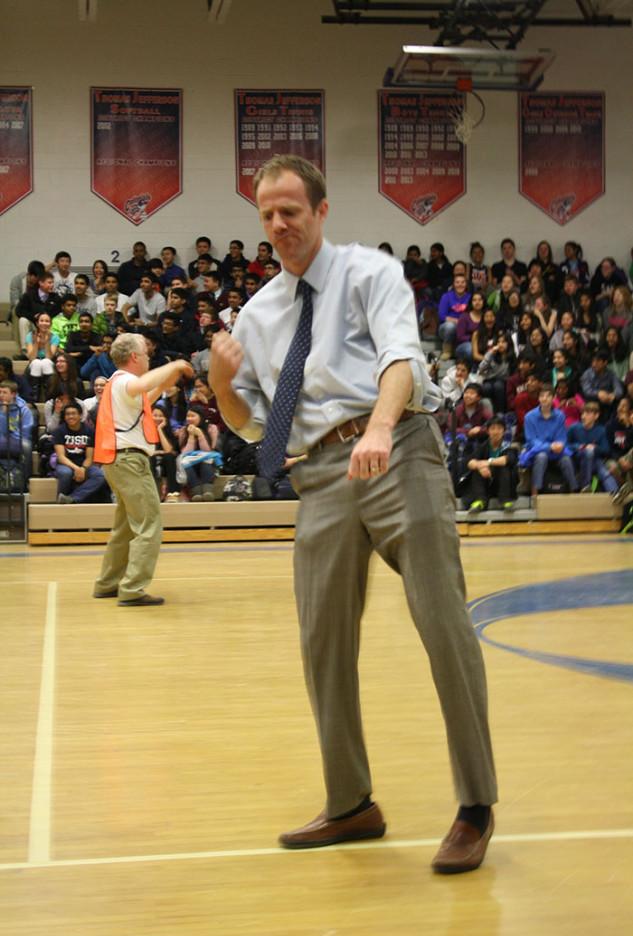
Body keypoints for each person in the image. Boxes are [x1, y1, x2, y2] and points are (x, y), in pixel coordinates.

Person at [209, 154, 497, 874]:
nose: (278, 224)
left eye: (291, 211)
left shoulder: (370, 274)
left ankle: (474, 805)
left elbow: (402, 358)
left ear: (321, 211)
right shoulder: (258, 314)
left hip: (397, 446)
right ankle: (351, 804)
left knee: (442, 622)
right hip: (322, 474)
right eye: (266, 214)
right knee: (321, 643)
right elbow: (257, 433)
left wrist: (377, 425)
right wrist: (221, 384)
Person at [93, 334, 193, 606]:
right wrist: (174, 366)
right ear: (134, 357)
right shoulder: (125, 380)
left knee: (125, 528)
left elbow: (145, 398)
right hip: (129, 462)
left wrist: (165, 382)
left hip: (118, 461)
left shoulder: (119, 384)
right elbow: (140, 386)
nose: (150, 357)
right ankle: (133, 589)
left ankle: (108, 583)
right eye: (146, 354)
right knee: (149, 524)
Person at [520, 383, 577, 498]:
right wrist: (549, 447)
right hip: (537, 451)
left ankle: (574, 490)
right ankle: (535, 491)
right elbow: (531, 441)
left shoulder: (560, 415)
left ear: (553, 398)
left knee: (566, 459)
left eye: (547, 396)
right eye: (541, 396)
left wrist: (560, 445)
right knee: (542, 456)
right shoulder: (529, 417)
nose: (544, 399)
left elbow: (561, 438)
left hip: (556, 450)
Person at [461, 415, 518, 512]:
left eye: (499, 428)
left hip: (505, 484)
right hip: (486, 484)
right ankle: (480, 501)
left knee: (504, 468)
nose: (496, 432)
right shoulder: (483, 446)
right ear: (488, 431)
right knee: (476, 471)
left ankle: (505, 501)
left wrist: (487, 462)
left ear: (504, 431)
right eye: (493, 429)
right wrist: (480, 467)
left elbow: (506, 460)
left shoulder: (509, 445)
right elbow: (470, 462)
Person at [53, 402, 106, 503]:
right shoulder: (59, 431)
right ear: (64, 417)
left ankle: (72, 498)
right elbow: (61, 456)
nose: (71, 416)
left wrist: (83, 468)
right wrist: (77, 469)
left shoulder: (89, 431)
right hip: (66, 464)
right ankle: (59, 501)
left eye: (74, 413)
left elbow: (89, 457)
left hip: (85, 464)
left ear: (80, 415)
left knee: (100, 475)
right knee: (65, 473)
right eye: (68, 414)